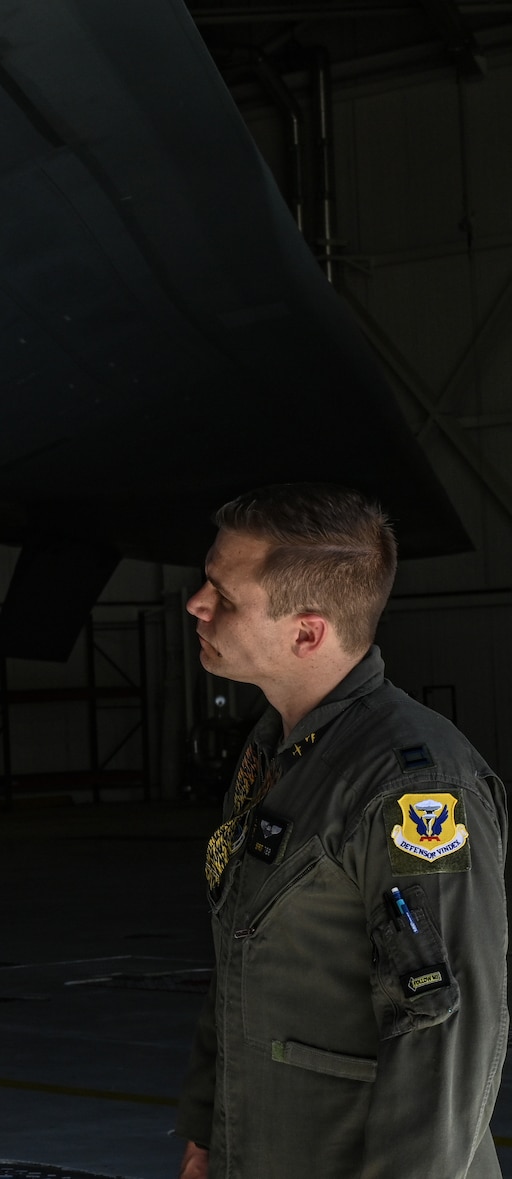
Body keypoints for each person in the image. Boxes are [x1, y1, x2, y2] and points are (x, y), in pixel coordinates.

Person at [175, 484, 507, 1179]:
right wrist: (209, 1131)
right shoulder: (279, 753)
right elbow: (242, 953)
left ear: (306, 631)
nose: (196, 605)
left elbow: (444, 1029)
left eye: (223, 596)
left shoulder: (413, 785)